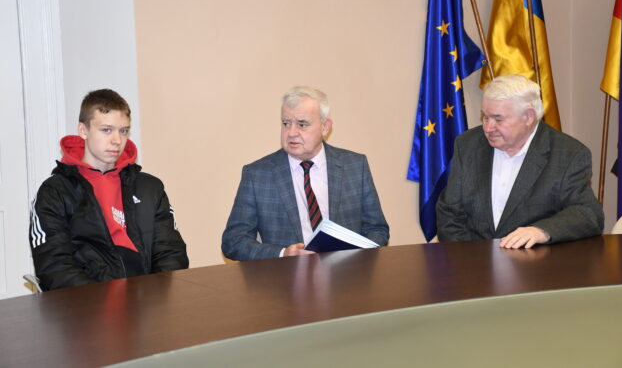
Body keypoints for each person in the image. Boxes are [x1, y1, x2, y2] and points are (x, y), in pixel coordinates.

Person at [29, 89, 188, 290]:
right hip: (88, 301)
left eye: (123, 131)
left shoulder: (150, 188)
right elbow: (55, 267)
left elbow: (171, 253)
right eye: (106, 130)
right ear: (83, 130)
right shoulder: (54, 192)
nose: (117, 140)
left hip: (146, 299)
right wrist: (103, 301)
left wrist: (152, 297)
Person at [222, 86, 389, 261]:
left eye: (302, 124)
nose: (291, 133)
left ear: (325, 127)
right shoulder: (257, 175)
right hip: (285, 276)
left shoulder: (355, 166)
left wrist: (354, 257)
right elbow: (233, 241)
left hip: (346, 274)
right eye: (286, 123)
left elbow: (377, 229)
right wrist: (283, 254)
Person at [436, 74, 603, 248]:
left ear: (528, 117)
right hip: (472, 258)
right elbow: (449, 213)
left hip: (534, 262)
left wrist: (542, 231)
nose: (488, 128)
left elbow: (588, 213)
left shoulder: (568, 154)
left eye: (498, 119)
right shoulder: (468, 144)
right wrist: (468, 257)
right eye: (485, 117)